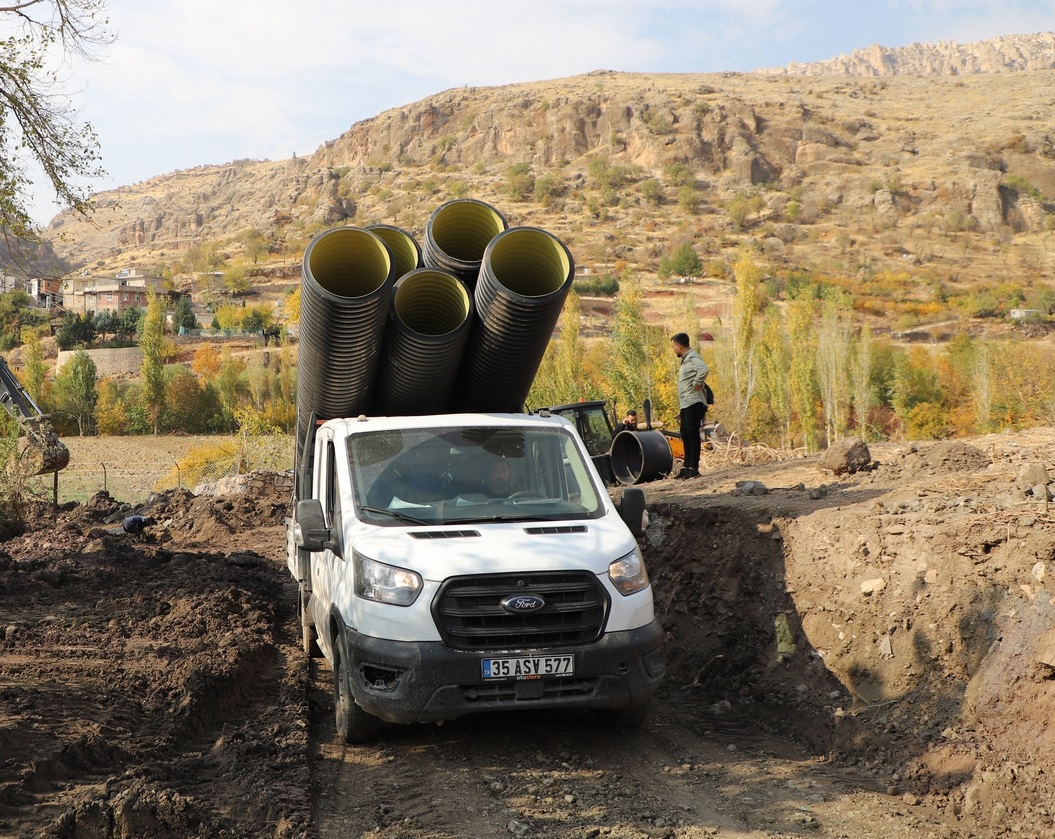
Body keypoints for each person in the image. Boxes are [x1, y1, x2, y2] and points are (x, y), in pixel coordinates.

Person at [671, 332, 709, 479]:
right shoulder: (686, 360)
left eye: (674, 346)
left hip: (694, 402)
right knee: (685, 433)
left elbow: (704, 370)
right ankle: (686, 466)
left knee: (692, 434)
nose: (673, 349)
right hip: (686, 402)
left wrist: (697, 383)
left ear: (680, 346)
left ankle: (694, 467)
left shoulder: (693, 358)